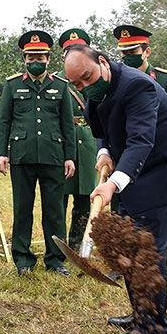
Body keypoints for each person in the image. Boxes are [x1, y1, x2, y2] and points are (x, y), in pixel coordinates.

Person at [63, 44, 167, 334]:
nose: (85, 86)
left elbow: (140, 141)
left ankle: (153, 328)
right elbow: (101, 129)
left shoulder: (138, 86)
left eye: (87, 77)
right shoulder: (93, 90)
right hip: (134, 168)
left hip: (164, 168)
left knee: (146, 246)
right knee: (129, 240)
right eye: (77, 84)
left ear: (102, 61)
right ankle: (141, 313)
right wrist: (103, 152)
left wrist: (112, 185)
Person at [0, 30, 75, 276]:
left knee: (54, 211)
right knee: (22, 208)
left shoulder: (61, 86)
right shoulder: (13, 85)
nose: (35, 62)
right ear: (24, 58)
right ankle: (23, 259)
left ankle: (55, 259)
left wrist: (69, 156)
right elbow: (4, 121)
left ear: (48, 59)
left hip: (53, 155)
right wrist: (1, 153)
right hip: (22, 155)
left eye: (40, 57)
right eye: (31, 57)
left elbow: (67, 124)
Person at [57, 28, 98, 249]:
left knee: (85, 199)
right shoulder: (57, 81)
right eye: (68, 51)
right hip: (65, 143)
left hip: (90, 142)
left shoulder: (96, 76)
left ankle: (78, 243)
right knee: (60, 199)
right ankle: (59, 244)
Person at [113, 25, 167, 115]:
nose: (128, 56)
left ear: (147, 52)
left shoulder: (165, 79)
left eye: (133, 52)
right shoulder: (116, 80)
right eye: (124, 52)